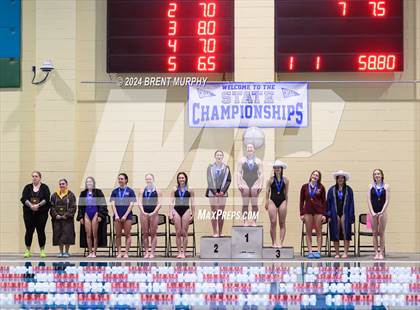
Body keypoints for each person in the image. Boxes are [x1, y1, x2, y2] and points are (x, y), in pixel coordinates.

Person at [20, 171, 51, 258]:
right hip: (29, 213)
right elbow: (24, 198)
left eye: (36, 176)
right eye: (33, 176)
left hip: (41, 213)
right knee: (29, 231)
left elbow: (46, 198)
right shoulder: (27, 187)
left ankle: (42, 250)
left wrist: (38, 205)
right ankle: (27, 250)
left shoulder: (44, 187)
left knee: (40, 231)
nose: (34, 178)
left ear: (40, 178)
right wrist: (31, 206)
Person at [77, 177, 108, 258]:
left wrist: (100, 215)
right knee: (88, 234)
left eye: (90, 182)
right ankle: (90, 252)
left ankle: (94, 252)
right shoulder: (83, 193)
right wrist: (80, 217)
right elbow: (80, 206)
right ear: (86, 184)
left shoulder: (98, 192)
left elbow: (103, 204)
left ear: (93, 183)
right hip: (87, 214)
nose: (89, 183)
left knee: (95, 234)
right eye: (87, 182)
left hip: (95, 214)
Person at [327, 170, 355, 258]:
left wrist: (351, 216)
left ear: (344, 179)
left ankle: (345, 252)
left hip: (345, 213)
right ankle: (337, 253)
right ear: (336, 179)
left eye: (342, 178)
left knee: (346, 231)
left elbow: (351, 203)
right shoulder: (331, 190)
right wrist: (329, 215)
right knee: (335, 231)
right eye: (338, 178)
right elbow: (328, 203)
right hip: (334, 213)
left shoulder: (349, 190)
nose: (340, 179)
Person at [300, 170, 327, 259]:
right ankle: (310, 251)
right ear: (311, 175)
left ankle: (318, 251)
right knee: (308, 232)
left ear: (319, 178)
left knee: (319, 232)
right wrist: (301, 213)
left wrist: (324, 214)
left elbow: (324, 202)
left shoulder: (321, 187)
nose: (315, 176)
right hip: (307, 211)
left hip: (318, 212)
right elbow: (301, 201)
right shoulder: (304, 187)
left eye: (317, 175)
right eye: (314, 174)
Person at [205, 150, 231, 237]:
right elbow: (209, 180)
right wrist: (215, 192)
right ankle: (215, 231)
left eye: (220, 155)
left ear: (222, 157)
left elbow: (228, 180)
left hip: (223, 193)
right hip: (213, 193)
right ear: (215, 156)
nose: (219, 156)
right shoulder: (210, 167)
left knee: (220, 212)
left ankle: (220, 231)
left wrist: (223, 191)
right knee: (214, 212)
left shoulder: (226, 168)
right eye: (217, 155)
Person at [110, 173, 137, 258]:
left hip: (127, 216)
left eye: (122, 179)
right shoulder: (115, 191)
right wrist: (117, 215)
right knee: (118, 235)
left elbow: (131, 204)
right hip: (117, 216)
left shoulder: (130, 191)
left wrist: (125, 215)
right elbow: (113, 204)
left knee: (127, 234)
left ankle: (126, 253)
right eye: (119, 179)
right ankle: (119, 252)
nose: (120, 180)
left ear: (126, 180)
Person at [169, 172, 195, 258]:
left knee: (184, 232)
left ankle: (184, 252)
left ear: (186, 178)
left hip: (186, 210)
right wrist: (170, 213)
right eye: (180, 178)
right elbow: (171, 202)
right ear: (178, 179)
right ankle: (179, 252)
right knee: (178, 232)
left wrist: (193, 214)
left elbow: (193, 202)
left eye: (183, 178)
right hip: (176, 210)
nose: (181, 179)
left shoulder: (190, 189)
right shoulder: (174, 189)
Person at [237, 144, 263, 226]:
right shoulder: (242, 160)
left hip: (255, 183)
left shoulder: (258, 161)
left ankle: (254, 221)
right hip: (245, 183)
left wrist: (261, 184)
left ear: (254, 149)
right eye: (248, 147)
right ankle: (245, 221)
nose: (249, 149)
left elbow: (261, 173)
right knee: (245, 204)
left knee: (254, 204)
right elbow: (239, 172)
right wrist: (239, 183)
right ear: (246, 150)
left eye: (251, 147)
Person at [265, 160, 289, 248]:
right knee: (273, 222)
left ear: (282, 169)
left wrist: (286, 203)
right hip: (272, 201)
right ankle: (274, 242)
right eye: (275, 168)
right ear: (273, 169)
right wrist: (266, 202)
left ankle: (281, 242)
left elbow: (286, 193)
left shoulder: (286, 180)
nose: (277, 169)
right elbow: (267, 192)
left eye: (278, 167)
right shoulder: (270, 179)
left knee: (282, 222)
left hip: (282, 201)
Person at [50, 179, 77, 258]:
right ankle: (61, 252)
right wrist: (55, 215)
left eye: (63, 184)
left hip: (67, 219)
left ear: (66, 185)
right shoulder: (54, 195)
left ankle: (66, 252)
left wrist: (66, 215)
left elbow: (73, 207)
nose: (61, 185)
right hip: (57, 219)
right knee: (59, 235)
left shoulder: (71, 195)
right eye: (60, 184)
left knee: (67, 235)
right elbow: (52, 207)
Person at [367, 168, 390, 260]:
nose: (377, 175)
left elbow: (387, 200)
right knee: (374, 233)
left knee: (382, 233)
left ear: (382, 175)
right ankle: (376, 252)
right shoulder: (370, 186)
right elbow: (368, 200)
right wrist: (372, 212)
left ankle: (381, 253)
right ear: (373, 176)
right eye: (375, 174)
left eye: (378, 174)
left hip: (382, 212)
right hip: (372, 212)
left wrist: (382, 211)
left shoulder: (387, 186)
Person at [138, 173, 162, 258]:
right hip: (144, 213)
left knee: (153, 233)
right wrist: (143, 211)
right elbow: (139, 202)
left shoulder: (158, 190)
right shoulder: (142, 190)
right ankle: (146, 252)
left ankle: (152, 252)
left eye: (150, 179)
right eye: (147, 179)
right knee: (145, 233)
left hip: (154, 213)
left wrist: (154, 212)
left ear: (153, 180)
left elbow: (159, 203)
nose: (148, 181)